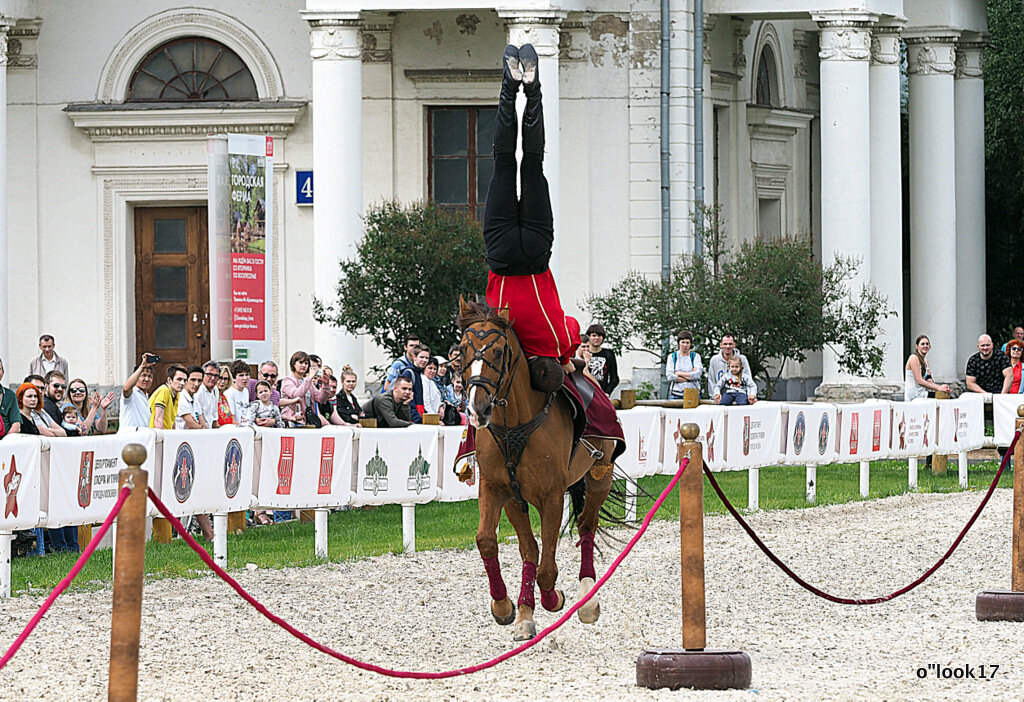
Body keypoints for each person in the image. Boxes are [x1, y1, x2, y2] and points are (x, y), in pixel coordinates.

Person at [482, 44, 576, 390]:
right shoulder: (511, 342)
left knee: (533, 162)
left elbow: (572, 327)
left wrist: (567, 361)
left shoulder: (554, 343)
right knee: (504, 162)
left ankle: (531, 88)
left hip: (535, 254)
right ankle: (510, 85)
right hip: (503, 257)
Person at [280, 351, 328, 426]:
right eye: (301, 362)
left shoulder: (308, 381)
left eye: (306, 363)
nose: (304, 365)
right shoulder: (287, 380)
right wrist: (309, 378)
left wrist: (326, 384)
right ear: (293, 364)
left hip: (308, 421)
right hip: (292, 421)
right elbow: (296, 395)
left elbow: (321, 399)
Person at [577, 324, 619, 395]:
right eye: (593, 335)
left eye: (599, 336)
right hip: (585, 392)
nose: (596, 338)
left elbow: (614, 378)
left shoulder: (609, 354)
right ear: (589, 337)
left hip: (602, 392)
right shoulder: (583, 352)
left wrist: (607, 393)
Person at [905, 335, 950, 400]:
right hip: (914, 395)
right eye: (922, 344)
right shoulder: (914, 358)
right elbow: (919, 381)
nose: (925, 346)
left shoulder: (926, 361)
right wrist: (938, 388)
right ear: (917, 346)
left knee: (947, 396)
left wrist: (942, 388)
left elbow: (930, 381)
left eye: (927, 344)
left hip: (923, 393)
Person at [119, 354, 156, 431]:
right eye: (143, 375)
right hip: (128, 438)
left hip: (142, 438)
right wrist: (142, 366)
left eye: (150, 376)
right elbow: (126, 388)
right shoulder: (133, 393)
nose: (146, 379)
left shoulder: (146, 396)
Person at [666, 331, 704, 400]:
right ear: (678, 343)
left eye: (687, 342)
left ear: (690, 344)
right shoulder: (672, 357)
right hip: (676, 394)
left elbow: (697, 374)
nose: (685, 345)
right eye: (683, 342)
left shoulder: (695, 356)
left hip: (693, 393)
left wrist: (678, 373)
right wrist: (690, 377)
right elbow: (670, 376)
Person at [149, 365, 187, 429]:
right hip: (154, 434)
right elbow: (158, 420)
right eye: (179, 379)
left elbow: (172, 421)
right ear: (169, 380)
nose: (182, 383)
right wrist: (163, 438)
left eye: (185, 380)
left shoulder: (177, 394)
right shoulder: (164, 390)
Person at [194, 361, 221, 429]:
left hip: (210, 430)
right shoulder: (198, 390)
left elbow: (214, 419)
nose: (212, 378)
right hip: (201, 430)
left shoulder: (215, 390)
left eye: (216, 376)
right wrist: (207, 432)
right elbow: (199, 417)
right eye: (209, 374)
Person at [407, 345, 431, 423]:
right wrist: (418, 419)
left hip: (419, 415)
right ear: (414, 357)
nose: (424, 360)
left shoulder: (419, 374)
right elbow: (408, 400)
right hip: (413, 419)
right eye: (421, 357)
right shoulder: (409, 373)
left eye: (427, 358)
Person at [0, 358, 21, 438]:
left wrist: (4, 444)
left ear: (3, 372)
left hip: (6, 443)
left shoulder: (10, 395)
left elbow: (16, 426)